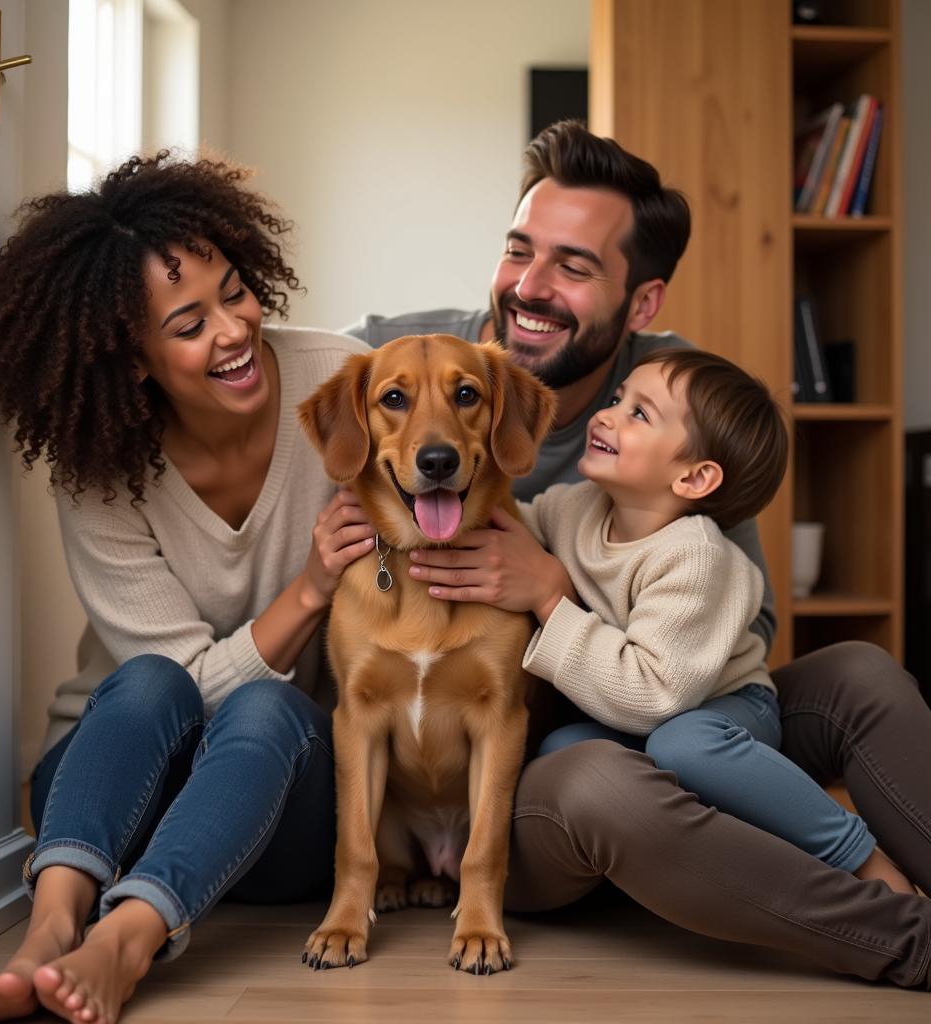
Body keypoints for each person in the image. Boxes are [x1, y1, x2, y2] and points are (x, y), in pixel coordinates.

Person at [351, 121, 931, 985]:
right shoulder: (413, 357)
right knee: (600, 781)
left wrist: (550, 593)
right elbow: (280, 375)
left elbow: (745, 625)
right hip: (538, 774)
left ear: (644, 303)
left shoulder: (680, 394)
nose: (530, 288)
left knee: (861, 673)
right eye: (520, 251)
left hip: (675, 713)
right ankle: (905, 940)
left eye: (574, 267)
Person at [0, 152, 374, 1024]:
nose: (234, 330)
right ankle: (50, 930)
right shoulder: (101, 469)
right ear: (133, 357)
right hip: (118, 789)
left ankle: (125, 943)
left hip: (280, 799)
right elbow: (182, 686)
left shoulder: (343, 386)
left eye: (235, 292)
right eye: (189, 324)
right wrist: (308, 589)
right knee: (152, 680)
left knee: (267, 712)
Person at [469, 344, 916, 891]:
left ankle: (858, 856)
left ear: (694, 479)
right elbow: (509, 531)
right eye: (617, 397)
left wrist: (548, 604)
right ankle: (697, 852)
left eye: (639, 413)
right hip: (639, 722)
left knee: (688, 746)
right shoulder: (575, 507)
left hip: (722, 707)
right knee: (562, 755)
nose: (605, 415)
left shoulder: (695, 555)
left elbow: (654, 695)